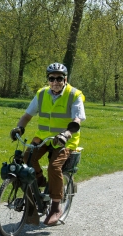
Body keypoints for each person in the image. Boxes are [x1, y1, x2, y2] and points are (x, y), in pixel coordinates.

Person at [10, 62, 86, 226]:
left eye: (59, 78)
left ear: (65, 79)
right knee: (27, 159)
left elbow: (77, 119)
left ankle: (56, 207)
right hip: (43, 137)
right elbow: (27, 116)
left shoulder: (74, 95)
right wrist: (19, 128)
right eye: (52, 78)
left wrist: (67, 133)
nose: (55, 82)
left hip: (65, 139)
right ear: (48, 79)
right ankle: (40, 181)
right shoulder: (42, 94)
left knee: (54, 167)